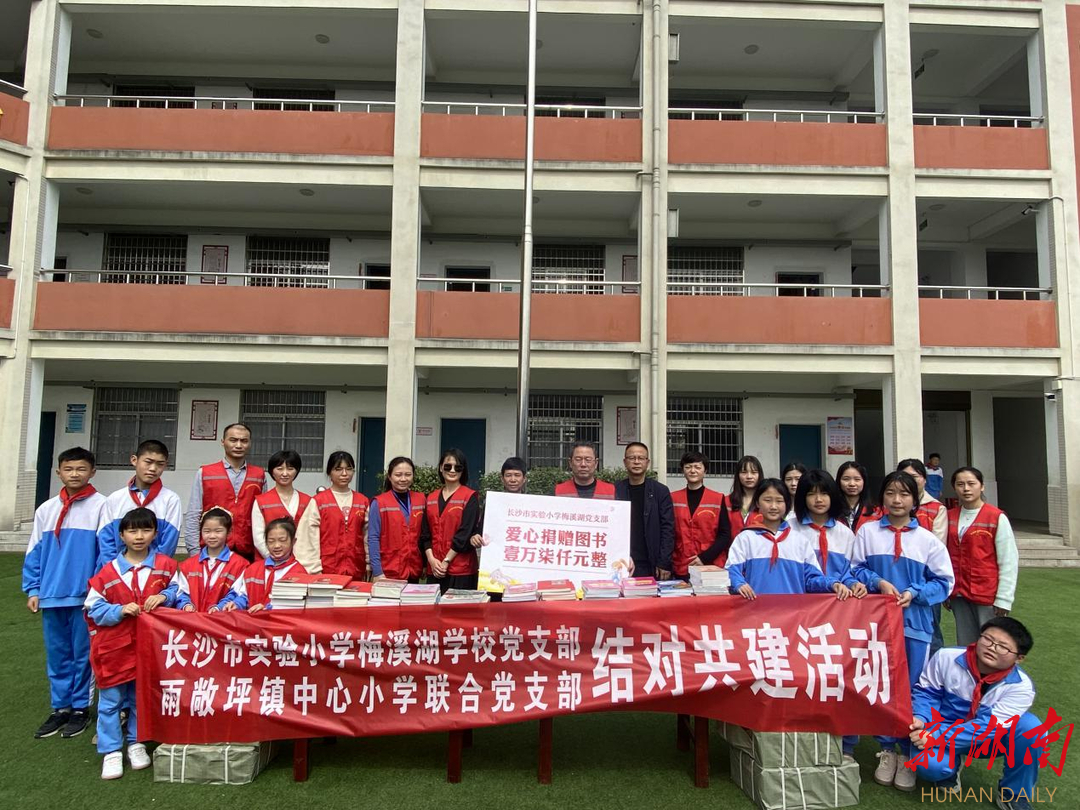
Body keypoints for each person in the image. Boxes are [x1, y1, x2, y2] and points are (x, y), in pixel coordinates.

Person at [851, 471, 955, 793]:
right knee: (880, 685)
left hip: (915, 626)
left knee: (911, 688)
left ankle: (909, 752)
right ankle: (887, 749)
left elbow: (944, 582)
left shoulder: (927, 540)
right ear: (882, 497)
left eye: (904, 494)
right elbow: (854, 569)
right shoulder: (867, 532)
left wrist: (914, 593)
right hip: (876, 625)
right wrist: (877, 582)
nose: (897, 500)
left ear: (915, 499)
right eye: (891, 493)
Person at [908, 618, 1045, 810]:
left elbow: (989, 727)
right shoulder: (946, 657)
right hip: (942, 726)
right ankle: (950, 769)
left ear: (1019, 658)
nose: (992, 648)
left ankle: (1013, 793)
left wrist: (936, 736)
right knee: (929, 766)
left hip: (987, 738)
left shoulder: (1021, 687)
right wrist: (922, 719)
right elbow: (926, 693)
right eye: (988, 639)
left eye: (1003, 647)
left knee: (1032, 729)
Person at [23, 447, 109, 740]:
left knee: (83, 655)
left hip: (84, 597)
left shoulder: (102, 506)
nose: (75, 474)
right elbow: (34, 552)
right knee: (58, 654)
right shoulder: (45, 510)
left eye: (81, 469)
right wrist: (33, 588)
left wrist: (97, 591)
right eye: (69, 469)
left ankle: (80, 709)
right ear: (58, 472)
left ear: (92, 472)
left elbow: (105, 553)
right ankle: (60, 707)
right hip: (51, 594)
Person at [84, 507, 176, 779]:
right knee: (110, 701)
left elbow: (179, 591)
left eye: (146, 530)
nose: (139, 536)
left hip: (149, 649)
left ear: (155, 534)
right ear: (121, 535)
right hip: (113, 649)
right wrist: (119, 610)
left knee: (140, 698)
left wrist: (165, 597)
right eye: (132, 531)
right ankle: (111, 751)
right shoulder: (108, 571)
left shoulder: (166, 566)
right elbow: (92, 608)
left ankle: (137, 743)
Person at [726, 477, 851, 599]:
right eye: (767, 500)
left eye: (779, 501)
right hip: (755, 610)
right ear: (757, 502)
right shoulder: (745, 538)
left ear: (787, 504)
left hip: (793, 611)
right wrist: (739, 584)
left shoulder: (800, 541)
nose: (773, 506)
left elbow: (811, 578)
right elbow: (731, 571)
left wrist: (832, 584)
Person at [946, 467, 1019, 646]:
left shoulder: (996, 517)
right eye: (960, 484)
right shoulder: (949, 516)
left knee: (990, 644)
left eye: (971, 483)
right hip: (959, 592)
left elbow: (1008, 560)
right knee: (966, 644)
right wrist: (946, 591)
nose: (966, 489)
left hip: (987, 593)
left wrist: (1004, 598)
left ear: (982, 486)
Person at [183, 423, 266, 559]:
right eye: (233, 440)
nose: (238, 445)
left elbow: (262, 516)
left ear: (250, 443)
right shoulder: (205, 473)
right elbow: (194, 514)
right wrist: (195, 553)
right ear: (223, 442)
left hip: (248, 549)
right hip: (212, 548)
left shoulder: (259, 475)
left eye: (244, 441)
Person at [98, 439, 182, 562]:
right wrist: (115, 569)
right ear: (134, 460)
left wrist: (151, 569)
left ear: (165, 465)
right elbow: (106, 539)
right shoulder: (115, 498)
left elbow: (168, 543)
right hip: (117, 570)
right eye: (148, 462)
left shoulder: (171, 500)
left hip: (154, 570)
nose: (153, 468)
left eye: (160, 464)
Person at [898, 457, 948, 656]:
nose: (910, 481)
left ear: (924, 479)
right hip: (894, 581)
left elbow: (937, 548)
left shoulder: (936, 508)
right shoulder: (888, 506)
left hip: (925, 582)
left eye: (915, 476)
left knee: (930, 632)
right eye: (904, 476)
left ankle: (932, 672)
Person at [294, 451, 370, 578]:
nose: (344, 474)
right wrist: (314, 569)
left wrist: (369, 563)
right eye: (338, 469)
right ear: (329, 472)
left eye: (349, 469)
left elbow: (368, 536)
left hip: (356, 569)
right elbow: (307, 538)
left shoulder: (362, 501)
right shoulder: (319, 501)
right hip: (326, 570)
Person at [421, 448, 481, 593]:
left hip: (461, 569)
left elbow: (465, 533)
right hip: (435, 567)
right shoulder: (430, 497)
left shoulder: (470, 497)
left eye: (457, 467)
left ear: (463, 470)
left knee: (458, 608)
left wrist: (446, 561)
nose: (452, 470)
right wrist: (431, 560)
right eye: (448, 466)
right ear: (441, 468)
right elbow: (425, 533)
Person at [219, 518, 308, 612]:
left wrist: (268, 607)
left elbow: (297, 605)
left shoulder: (299, 573)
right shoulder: (252, 569)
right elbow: (244, 595)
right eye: (271, 541)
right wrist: (237, 604)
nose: (277, 545)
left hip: (280, 620)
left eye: (282, 540)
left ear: (293, 541)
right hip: (253, 620)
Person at [614, 442, 675, 581]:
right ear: (625, 462)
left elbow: (668, 528)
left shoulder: (660, 491)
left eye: (641, 458)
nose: (636, 462)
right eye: (632, 458)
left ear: (647, 462)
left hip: (652, 562)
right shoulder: (615, 490)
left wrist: (664, 562)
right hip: (623, 562)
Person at [169, 507, 249, 612]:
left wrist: (219, 608)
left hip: (222, 619)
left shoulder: (240, 564)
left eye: (218, 531)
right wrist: (186, 605)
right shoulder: (188, 565)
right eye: (207, 531)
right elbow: (181, 592)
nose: (212, 536)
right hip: (192, 619)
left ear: (229, 532)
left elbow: (237, 593)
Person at [670, 450, 731, 578]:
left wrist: (704, 557)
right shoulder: (673, 498)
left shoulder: (717, 498)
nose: (693, 471)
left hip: (711, 565)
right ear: (682, 470)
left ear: (705, 471)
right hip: (681, 564)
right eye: (688, 467)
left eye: (697, 467)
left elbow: (724, 534)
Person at [369, 456, 425, 583]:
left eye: (408, 475)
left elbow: (425, 534)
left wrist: (425, 564)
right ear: (389, 476)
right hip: (389, 569)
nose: (403, 479)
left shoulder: (421, 499)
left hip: (413, 568)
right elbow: (373, 538)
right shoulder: (379, 502)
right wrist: (377, 571)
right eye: (398, 475)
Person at [253, 449, 311, 559]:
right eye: (279, 469)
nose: (285, 473)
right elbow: (258, 537)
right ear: (272, 471)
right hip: (269, 561)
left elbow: (310, 535)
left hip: (301, 561)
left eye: (290, 469)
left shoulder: (308, 501)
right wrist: (275, 558)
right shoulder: (261, 501)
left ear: (297, 471)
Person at [469, 457, 528, 551]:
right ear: (502, 479)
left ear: (524, 479)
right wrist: (475, 537)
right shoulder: (493, 503)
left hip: (524, 554)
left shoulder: (532, 505)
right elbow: (481, 530)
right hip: (498, 555)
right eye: (508, 475)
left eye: (517, 475)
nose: (513, 479)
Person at [837, 460, 880, 531]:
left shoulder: (876, 511)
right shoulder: (831, 510)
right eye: (846, 479)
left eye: (857, 479)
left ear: (864, 481)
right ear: (838, 481)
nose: (852, 484)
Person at [728, 455, 763, 533]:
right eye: (744, 472)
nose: (749, 476)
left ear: (759, 474)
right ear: (738, 475)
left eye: (754, 472)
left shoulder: (766, 502)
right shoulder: (727, 501)